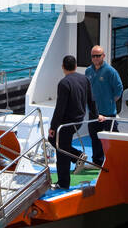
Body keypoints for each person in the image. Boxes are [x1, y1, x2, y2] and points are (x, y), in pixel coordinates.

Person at [48, 55, 95, 191]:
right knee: (58, 143)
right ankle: (78, 156)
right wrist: (96, 115)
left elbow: (60, 108)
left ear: (63, 67)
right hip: (79, 120)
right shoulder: (84, 79)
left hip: (66, 123)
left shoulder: (64, 83)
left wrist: (53, 127)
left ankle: (63, 183)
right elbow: (91, 100)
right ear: (75, 66)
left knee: (60, 150)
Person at [84, 45, 124, 166]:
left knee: (112, 139)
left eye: (98, 55)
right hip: (94, 113)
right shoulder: (88, 71)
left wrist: (110, 101)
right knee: (95, 138)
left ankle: (116, 161)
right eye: (93, 56)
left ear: (103, 56)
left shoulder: (110, 71)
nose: (96, 58)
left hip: (108, 112)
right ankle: (97, 162)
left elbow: (118, 89)